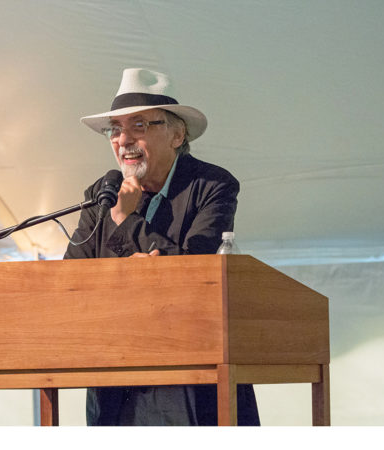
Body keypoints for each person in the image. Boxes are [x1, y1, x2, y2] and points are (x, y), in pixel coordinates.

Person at [64, 68, 259, 426]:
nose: (123, 140)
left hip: (193, 378)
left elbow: (195, 274)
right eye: (116, 129)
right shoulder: (101, 193)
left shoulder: (212, 185)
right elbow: (71, 278)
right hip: (115, 381)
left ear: (176, 134)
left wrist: (126, 220)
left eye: (139, 126)